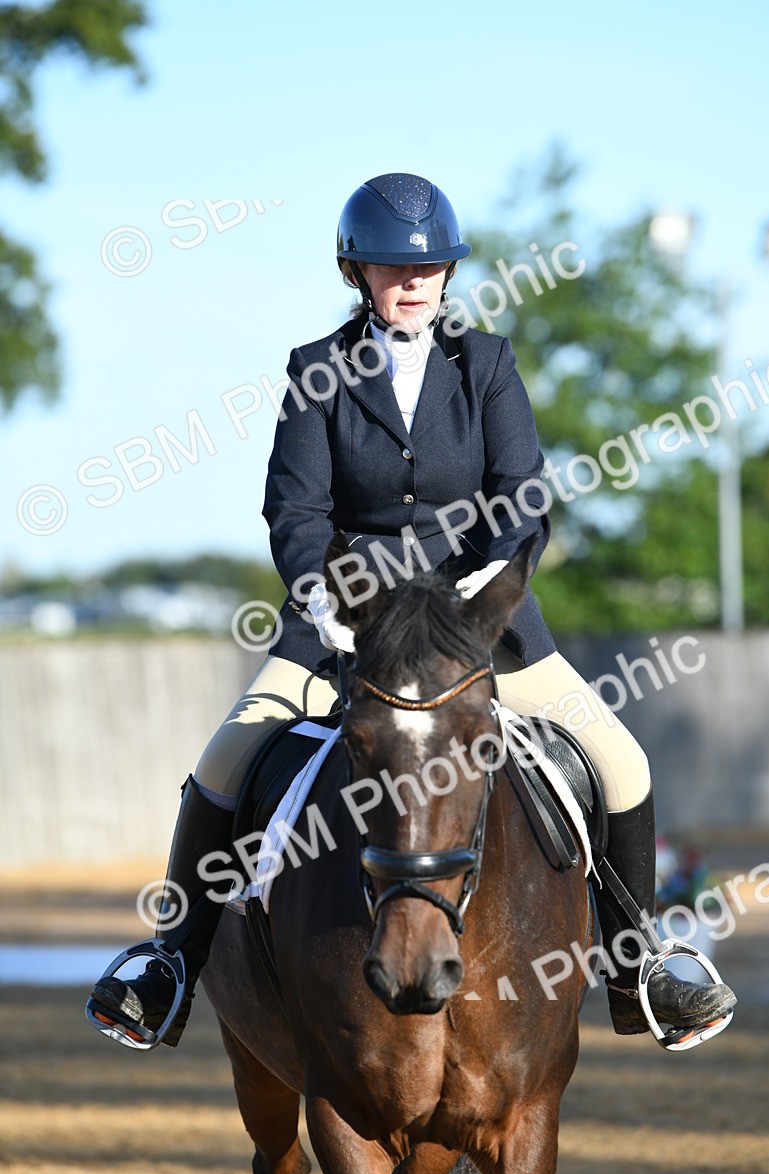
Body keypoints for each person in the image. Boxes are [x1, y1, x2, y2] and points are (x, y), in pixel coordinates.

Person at [88, 172, 736, 1048]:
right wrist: (320, 592)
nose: (414, 283)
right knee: (228, 757)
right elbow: (297, 509)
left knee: (621, 762)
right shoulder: (317, 369)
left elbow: (521, 492)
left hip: (482, 623)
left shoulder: (489, 363)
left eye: (429, 269)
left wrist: (495, 575)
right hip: (347, 623)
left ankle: (639, 964)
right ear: (357, 272)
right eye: (394, 269)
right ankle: (171, 959)